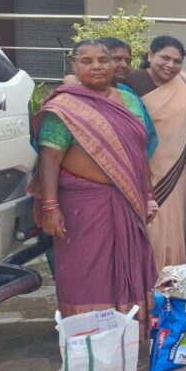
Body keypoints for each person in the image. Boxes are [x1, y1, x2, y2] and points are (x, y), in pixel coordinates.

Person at [33, 40, 157, 333]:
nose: (97, 66)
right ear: (74, 66)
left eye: (103, 59)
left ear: (114, 64)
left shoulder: (128, 100)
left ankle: (127, 335)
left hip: (129, 201)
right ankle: (88, 338)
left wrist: (148, 195)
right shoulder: (63, 106)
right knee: (87, 271)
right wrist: (50, 207)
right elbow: (49, 160)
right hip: (83, 206)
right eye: (87, 61)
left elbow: (139, 150)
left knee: (128, 265)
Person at [125, 36, 186, 272]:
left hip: (176, 169)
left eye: (177, 61)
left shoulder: (185, 82)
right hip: (141, 169)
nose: (170, 65)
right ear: (150, 56)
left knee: (173, 226)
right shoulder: (131, 80)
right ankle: (144, 281)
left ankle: (171, 281)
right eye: (164, 58)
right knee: (150, 225)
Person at [61, 37, 158, 157]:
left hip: (131, 166)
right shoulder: (74, 94)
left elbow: (145, 136)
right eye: (117, 59)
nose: (123, 65)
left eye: (127, 61)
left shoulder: (128, 94)